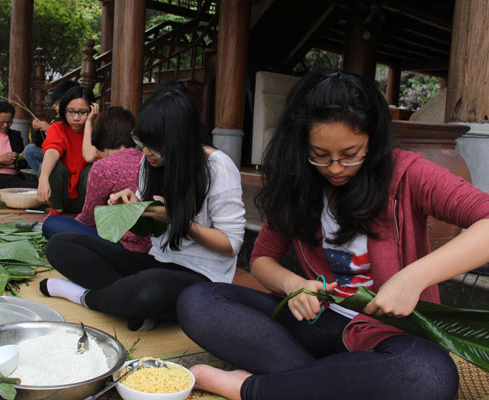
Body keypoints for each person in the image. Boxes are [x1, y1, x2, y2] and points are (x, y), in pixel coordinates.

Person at [176, 68, 489, 400]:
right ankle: (331, 384)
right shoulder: (300, 182)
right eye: (321, 156)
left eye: (351, 154)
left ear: (373, 139)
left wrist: (413, 277)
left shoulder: (407, 174)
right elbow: (261, 259)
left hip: (388, 333)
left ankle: (251, 388)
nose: (336, 168)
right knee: (199, 300)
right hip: (318, 320)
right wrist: (293, 285)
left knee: (428, 375)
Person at [41, 88, 246, 331]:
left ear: (180, 141)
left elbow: (231, 244)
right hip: (156, 260)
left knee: (150, 289)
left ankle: (82, 296)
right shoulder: (150, 161)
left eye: (155, 147)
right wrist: (129, 207)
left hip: (201, 276)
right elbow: (144, 229)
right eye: (142, 144)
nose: (146, 152)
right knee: (61, 246)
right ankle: (131, 303)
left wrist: (178, 221)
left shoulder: (218, 167)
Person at [41, 106, 150, 255]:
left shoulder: (104, 166)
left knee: (52, 224)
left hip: (122, 246)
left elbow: (88, 219)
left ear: (100, 139)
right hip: (151, 248)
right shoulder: (146, 159)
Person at [37, 86, 97, 217]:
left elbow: (90, 157)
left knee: (94, 169)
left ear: (92, 109)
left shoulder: (99, 130)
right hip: (63, 196)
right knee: (50, 166)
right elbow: (52, 150)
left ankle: (89, 215)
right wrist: (43, 178)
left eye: (82, 112)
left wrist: (89, 124)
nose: (76, 118)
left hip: (88, 200)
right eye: (70, 112)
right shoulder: (57, 128)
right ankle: (56, 209)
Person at [23, 80, 80, 175]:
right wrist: (39, 129)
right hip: (57, 154)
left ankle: (47, 179)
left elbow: (69, 142)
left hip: (69, 157)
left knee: (30, 151)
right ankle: (45, 180)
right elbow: (43, 143)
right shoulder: (58, 119)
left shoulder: (76, 119)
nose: (56, 108)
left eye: (60, 103)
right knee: (30, 150)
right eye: (56, 104)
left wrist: (49, 129)